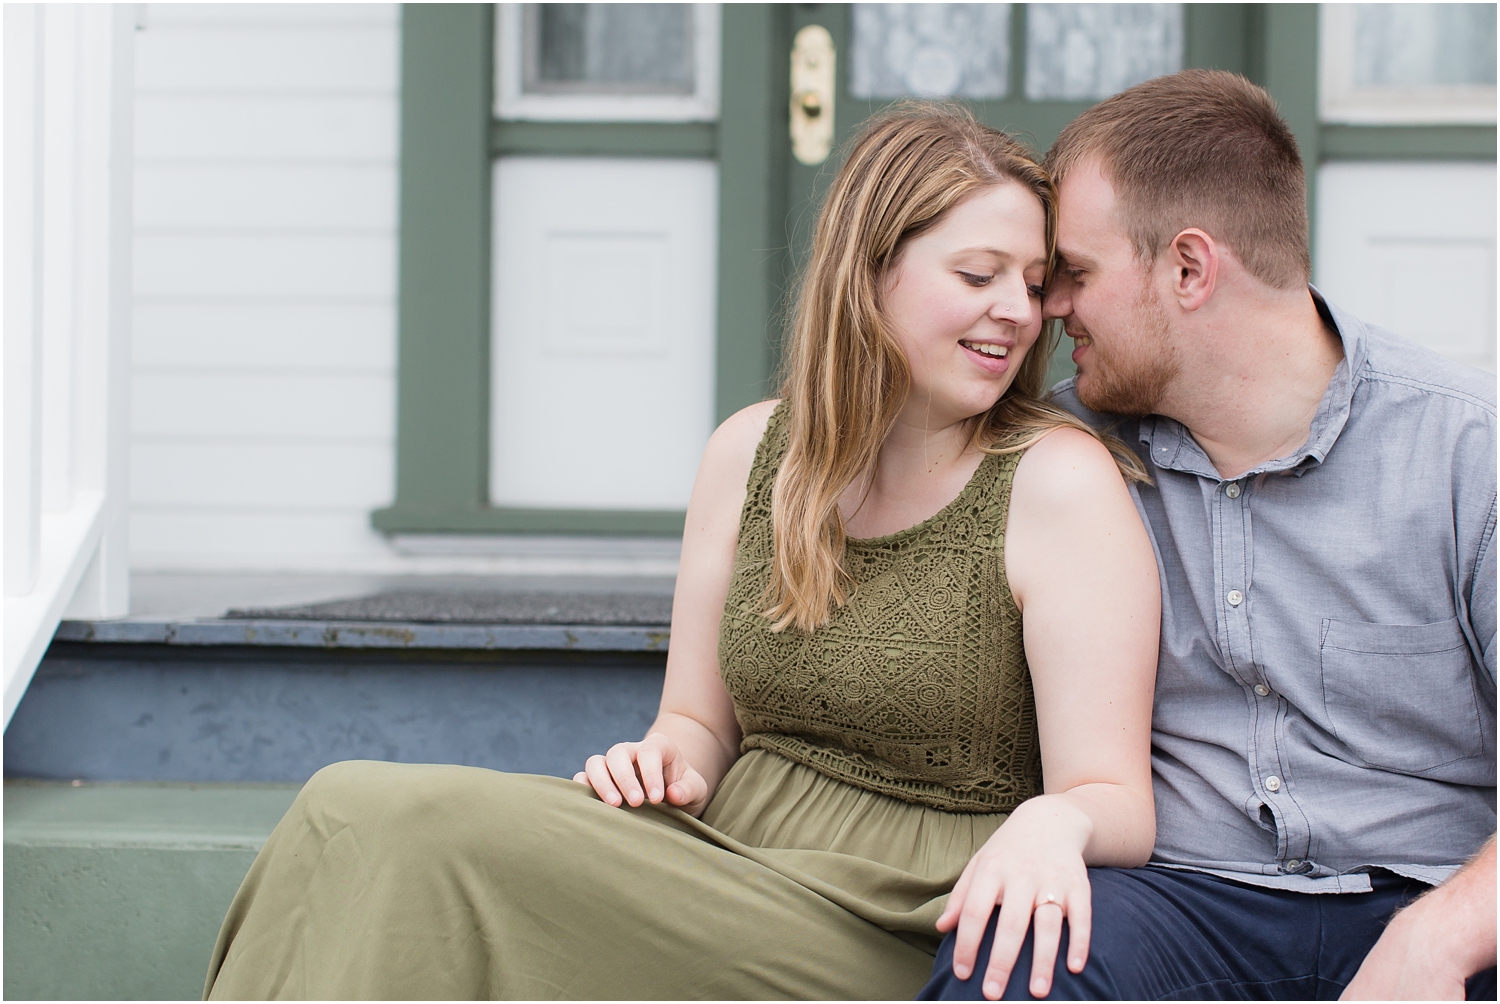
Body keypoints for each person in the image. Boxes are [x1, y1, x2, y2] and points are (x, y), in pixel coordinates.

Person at [202, 105, 1161, 1000]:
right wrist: (662, 762)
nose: (1018, 312)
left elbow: (1114, 797)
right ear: (870, 275)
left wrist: (1053, 822)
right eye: (977, 275)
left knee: (405, 823)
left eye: (1034, 286)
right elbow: (696, 724)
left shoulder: (1055, 483)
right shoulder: (753, 454)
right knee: (346, 810)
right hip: (718, 858)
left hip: (896, 913)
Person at [921, 70, 1497, 1002]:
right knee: (1012, 960)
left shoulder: (1467, 449)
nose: (1047, 310)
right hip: (1183, 905)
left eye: (1075, 273)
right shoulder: (1064, 458)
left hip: (1431, 896)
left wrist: (1442, 936)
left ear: (1190, 269)